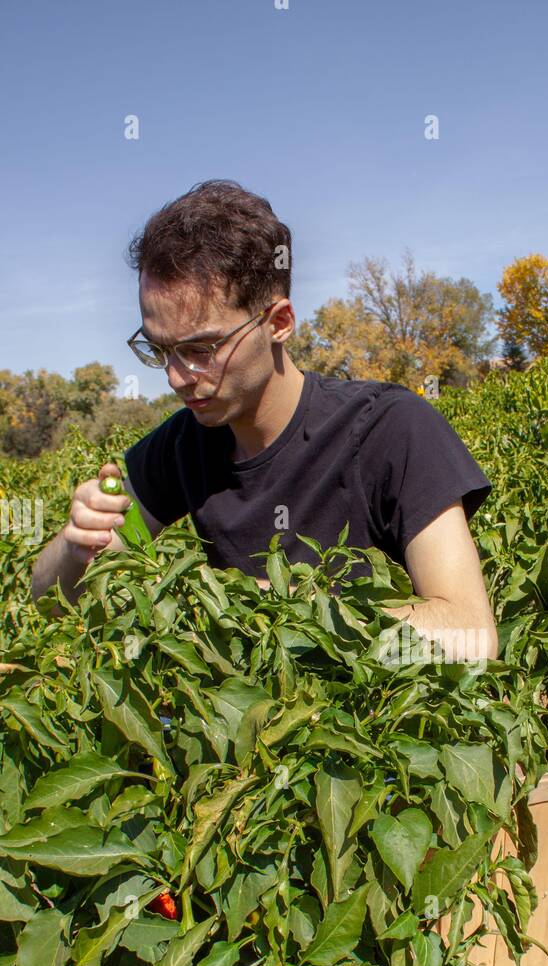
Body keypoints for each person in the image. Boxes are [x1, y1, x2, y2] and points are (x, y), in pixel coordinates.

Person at [30, 180, 498, 665]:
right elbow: (50, 603)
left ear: (279, 322)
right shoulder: (182, 444)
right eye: (158, 349)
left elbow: (470, 634)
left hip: (374, 727)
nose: (175, 377)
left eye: (199, 349)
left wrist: (253, 605)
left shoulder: (391, 428)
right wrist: (74, 544)